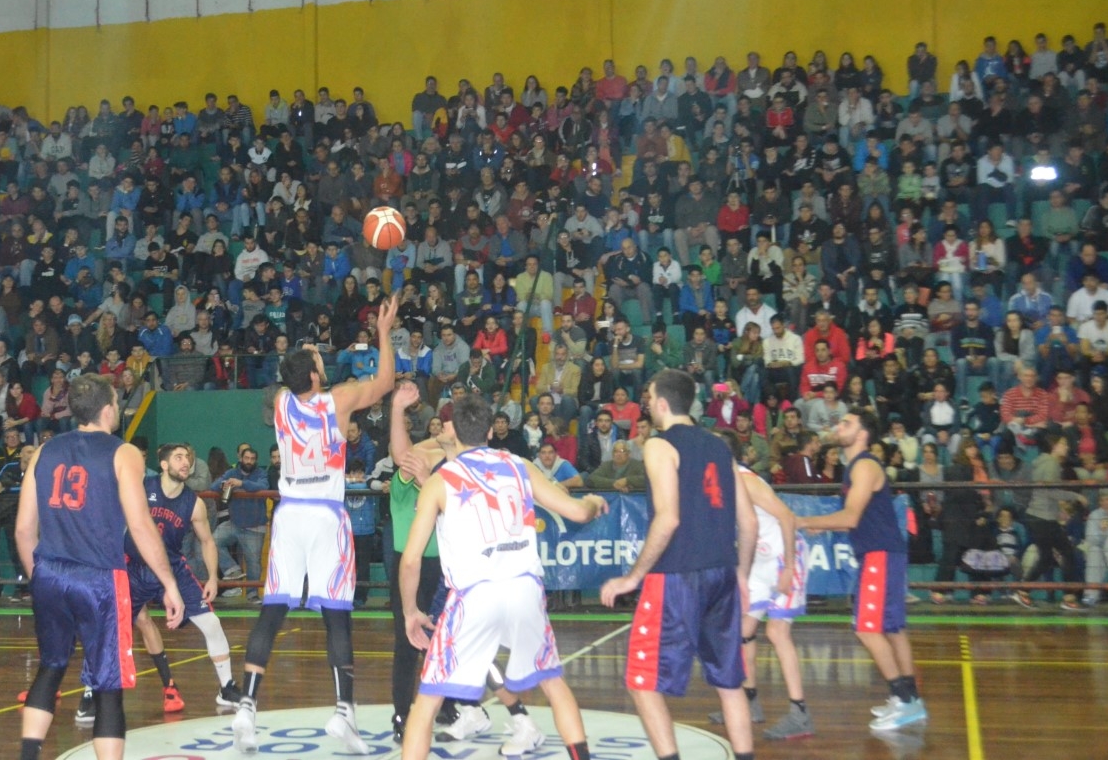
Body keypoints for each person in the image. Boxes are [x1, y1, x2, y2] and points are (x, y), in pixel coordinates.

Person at [231, 293, 401, 754]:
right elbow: (386, 381)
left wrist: (299, 361)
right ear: (312, 376)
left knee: (272, 610)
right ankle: (344, 711)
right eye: (318, 361)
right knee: (336, 615)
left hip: (289, 516)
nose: (322, 361)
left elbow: (287, 381)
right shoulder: (338, 400)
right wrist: (383, 332)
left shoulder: (282, 401)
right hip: (326, 515)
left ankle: (246, 706)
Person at [397, 392, 608, 760]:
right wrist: (592, 502)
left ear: (454, 432)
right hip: (523, 588)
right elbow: (577, 512)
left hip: (474, 593)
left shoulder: (440, 480)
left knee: (428, 700)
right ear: (490, 431)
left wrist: (410, 611)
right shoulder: (519, 465)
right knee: (553, 682)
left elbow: (411, 560)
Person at [14, 374, 185, 760]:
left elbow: (24, 529)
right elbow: (140, 525)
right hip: (99, 578)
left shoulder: (44, 451)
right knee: (109, 684)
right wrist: (169, 583)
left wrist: (40, 577)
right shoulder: (124, 453)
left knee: (50, 668)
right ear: (108, 409)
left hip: (49, 571)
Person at [600, 369, 759, 760]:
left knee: (642, 681)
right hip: (722, 572)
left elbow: (668, 518)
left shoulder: (658, 445)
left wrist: (632, 577)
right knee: (729, 683)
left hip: (676, 576)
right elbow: (750, 521)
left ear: (662, 403)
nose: (647, 404)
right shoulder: (720, 445)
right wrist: (740, 574)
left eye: (649, 398)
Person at [75, 442, 242, 725]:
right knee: (108, 629)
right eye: (178, 457)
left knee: (212, 623)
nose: (185, 462)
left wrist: (213, 576)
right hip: (133, 567)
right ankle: (90, 692)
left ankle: (227, 688)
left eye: (187, 458)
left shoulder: (194, 503)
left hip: (171, 568)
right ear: (164, 465)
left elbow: (207, 541)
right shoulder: (141, 487)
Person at [796, 407, 927, 731]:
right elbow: (851, 520)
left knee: (867, 628)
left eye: (847, 423)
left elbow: (850, 517)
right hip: (884, 553)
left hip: (879, 554)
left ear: (863, 434)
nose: (839, 427)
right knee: (892, 628)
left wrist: (803, 520)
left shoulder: (864, 465)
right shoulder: (856, 466)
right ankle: (910, 699)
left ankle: (905, 701)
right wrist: (821, 525)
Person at [707, 432, 814, 740]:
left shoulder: (747, 481)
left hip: (783, 557)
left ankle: (800, 712)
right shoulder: (723, 482)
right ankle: (750, 701)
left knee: (777, 632)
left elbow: (787, 518)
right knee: (742, 630)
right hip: (759, 560)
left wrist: (789, 567)